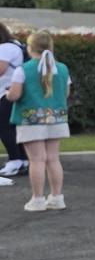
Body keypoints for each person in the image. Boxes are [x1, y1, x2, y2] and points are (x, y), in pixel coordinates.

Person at [7, 32, 70, 211]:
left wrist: (8, 93)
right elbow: (65, 93)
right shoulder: (63, 68)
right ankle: (57, 197)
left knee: (36, 160)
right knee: (53, 158)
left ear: (30, 47)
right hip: (57, 118)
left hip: (30, 120)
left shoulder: (23, 69)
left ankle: (38, 199)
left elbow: (15, 95)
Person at [0, 21, 26, 183]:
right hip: (13, 92)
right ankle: (22, 159)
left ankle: (15, 159)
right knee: (13, 128)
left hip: (6, 93)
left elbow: (1, 70)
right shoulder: (15, 46)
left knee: (4, 128)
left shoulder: (5, 48)